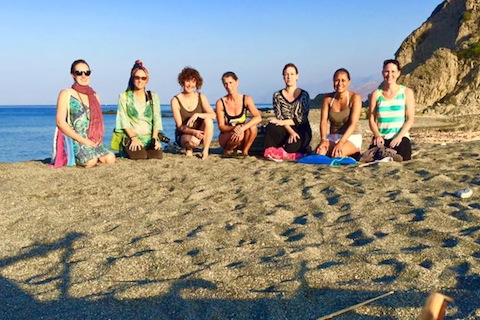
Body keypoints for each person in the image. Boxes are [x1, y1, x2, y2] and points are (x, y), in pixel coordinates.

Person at [54, 59, 115, 168]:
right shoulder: (66, 93)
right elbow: (60, 122)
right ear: (73, 75)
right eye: (79, 73)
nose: (83, 76)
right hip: (76, 139)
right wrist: (83, 140)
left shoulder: (94, 95)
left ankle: (94, 152)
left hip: (93, 140)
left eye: (87, 72)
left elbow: (99, 120)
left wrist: (98, 138)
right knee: (90, 161)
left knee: (110, 158)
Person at [114, 60, 163, 160]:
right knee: (140, 156)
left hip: (150, 137)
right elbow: (124, 121)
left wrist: (155, 139)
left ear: (147, 80)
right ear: (132, 79)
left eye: (143, 78)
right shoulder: (124, 97)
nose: (140, 80)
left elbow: (157, 120)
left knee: (156, 156)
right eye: (137, 77)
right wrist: (134, 138)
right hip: (132, 136)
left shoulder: (153, 96)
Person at [368, 59, 415, 161]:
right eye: (387, 71)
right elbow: (372, 119)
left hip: (399, 137)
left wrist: (399, 136)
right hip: (381, 137)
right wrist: (377, 136)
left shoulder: (406, 92)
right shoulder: (376, 94)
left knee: (403, 157)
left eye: (393, 71)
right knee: (370, 157)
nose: (389, 75)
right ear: (382, 73)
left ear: (398, 73)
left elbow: (410, 119)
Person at [263, 63, 312, 158]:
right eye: (286, 74)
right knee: (271, 127)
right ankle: (273, 151)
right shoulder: (277, 96)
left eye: (292, 74)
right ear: (283, 77)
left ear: (297, 76)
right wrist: (290, 131)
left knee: (292, 146)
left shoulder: (304, 95)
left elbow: (301, 119)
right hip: (286, 128)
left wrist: (289, 128)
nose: (289, 77)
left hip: (301, 128)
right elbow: (279, 118)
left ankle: (299, 150)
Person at [316, 68, 363, 158]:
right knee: (320, 153)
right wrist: (323, 139)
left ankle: (353, 153)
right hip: (333, 137)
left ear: (349, 82)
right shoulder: (328, 99)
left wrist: (341, 142)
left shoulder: (355, 98)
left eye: (343, 80)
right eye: (337, 80)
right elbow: (323, 121)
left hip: (351, 137)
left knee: (337, 154)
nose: (340, 83)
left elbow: (353, 124)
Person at [170, 67, 216, 159]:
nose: (190, 85)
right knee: (193, 141)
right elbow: (180, 126)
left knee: (208, 121)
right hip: (184, 135)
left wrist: (198, 114)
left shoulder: (201, 96)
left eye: (193, 82)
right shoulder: (175, 100)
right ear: (182, 81)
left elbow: (213, 115)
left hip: (200, 132)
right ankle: (189, 149)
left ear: (197, 83)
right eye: (188, 81)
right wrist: (194, 132)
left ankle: (205, 151)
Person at [216, 71, 262, 157]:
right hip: (226, 136)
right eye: (225, 84)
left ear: (237, 82)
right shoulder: (220, 102)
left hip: (242, 134)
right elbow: (221, 126)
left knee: (253, 127)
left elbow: (258, 117)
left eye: (231, 83)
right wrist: (234, 128)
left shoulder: (246, 99)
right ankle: (228, 150)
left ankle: (245, 151)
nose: (229, 86)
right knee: (239, 135)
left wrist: (242, 128)